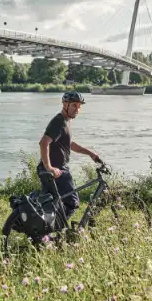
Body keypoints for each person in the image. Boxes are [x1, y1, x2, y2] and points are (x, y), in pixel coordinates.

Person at [37, 90, 101, 219]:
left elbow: (70, 144)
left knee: (51, 204)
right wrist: (50, 168)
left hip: (51, 170)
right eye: (74, 106)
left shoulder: (66, 121)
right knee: (72, 202)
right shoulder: (58, 122)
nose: (77, 109)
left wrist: (90, 153)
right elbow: (43, 143)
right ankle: (55, 232)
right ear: (65, 104)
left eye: (79, 107)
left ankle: (45, 233)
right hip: (57, 171)